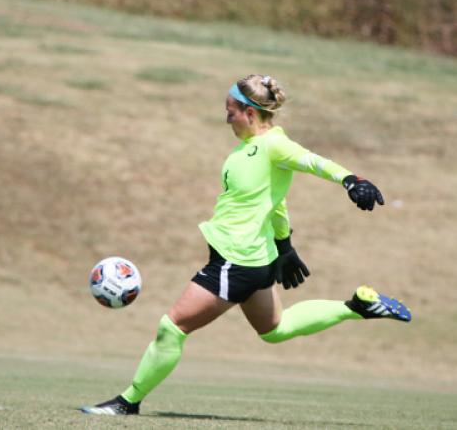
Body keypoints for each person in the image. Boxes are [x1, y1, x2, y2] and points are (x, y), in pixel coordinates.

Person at [81, 74, 411, 416]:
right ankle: (357, 306)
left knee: (173, 326)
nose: (226, 117)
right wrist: (284, 246)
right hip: (255, 258)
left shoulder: (273, 144)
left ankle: (127, 402)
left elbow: (312, 160)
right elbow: (275, 203)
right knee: (274, 329)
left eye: (231, 111)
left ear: (250, 113)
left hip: (235, 260)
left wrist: (351, 180)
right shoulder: (247, 151)